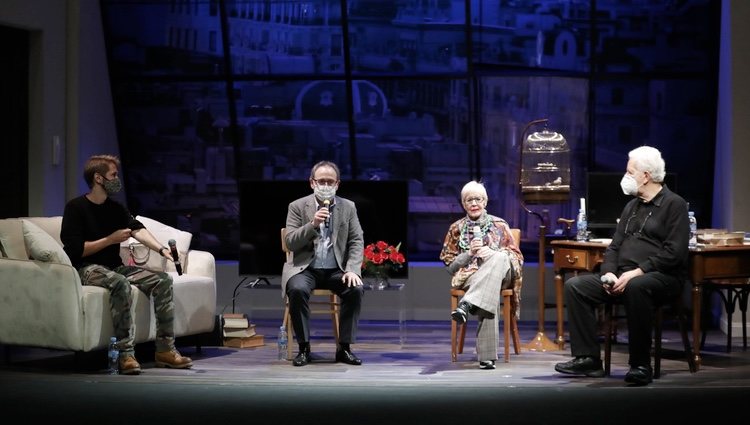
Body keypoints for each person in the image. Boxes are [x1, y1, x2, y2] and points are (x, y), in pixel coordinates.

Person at [554, 146, 689, 385]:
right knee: (576, 286)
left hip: (660, 276)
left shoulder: (674, 205)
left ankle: (640, 364)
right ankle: (588, 359)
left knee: (637, 287)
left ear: (646, 175)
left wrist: (636, 272)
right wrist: (608, 274)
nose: (625, 177)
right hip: (623, 276)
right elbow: (614, 247)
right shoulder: (631, 206)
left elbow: (674, 253)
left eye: (630, 172)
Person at [60, 154, 193, 375]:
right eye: (113, 175)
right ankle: (125, 354)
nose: (117, 179)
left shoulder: (115, 208)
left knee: (162, 281)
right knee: (119, 283)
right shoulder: (75, 208)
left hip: (114, 266)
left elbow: (137, 229)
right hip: (85, 268)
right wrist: (110, 239)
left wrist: (161, 249)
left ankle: (165, 350)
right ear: (98, 178)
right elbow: (76, 250)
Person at [281, 161, 365, 367]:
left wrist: (353, 270)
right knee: (298, 289)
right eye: (321, 181)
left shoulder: (348, 207)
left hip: (336, 269)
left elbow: (356, 240)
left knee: (355, 289)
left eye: (330, 181)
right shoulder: (297, 206)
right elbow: (290, 241)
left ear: (337, 184)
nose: (325, 185)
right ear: (312, 183)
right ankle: (304, 348)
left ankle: (344, 348)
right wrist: (312, 225)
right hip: (305, 268)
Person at [439, 181, 524, 370]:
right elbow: (450, 267)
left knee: (501, 257)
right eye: (469, 200)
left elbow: (517, 259)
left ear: (485, 202)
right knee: (489, 289)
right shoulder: (456, 229)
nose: (474, 203)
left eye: (478, 199)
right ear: (463, 204)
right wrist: (468, 254)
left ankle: (467, 303)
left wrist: (492, 255)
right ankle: (486, 358)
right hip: (472, 278)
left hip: (504, 275)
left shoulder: (499, 225)